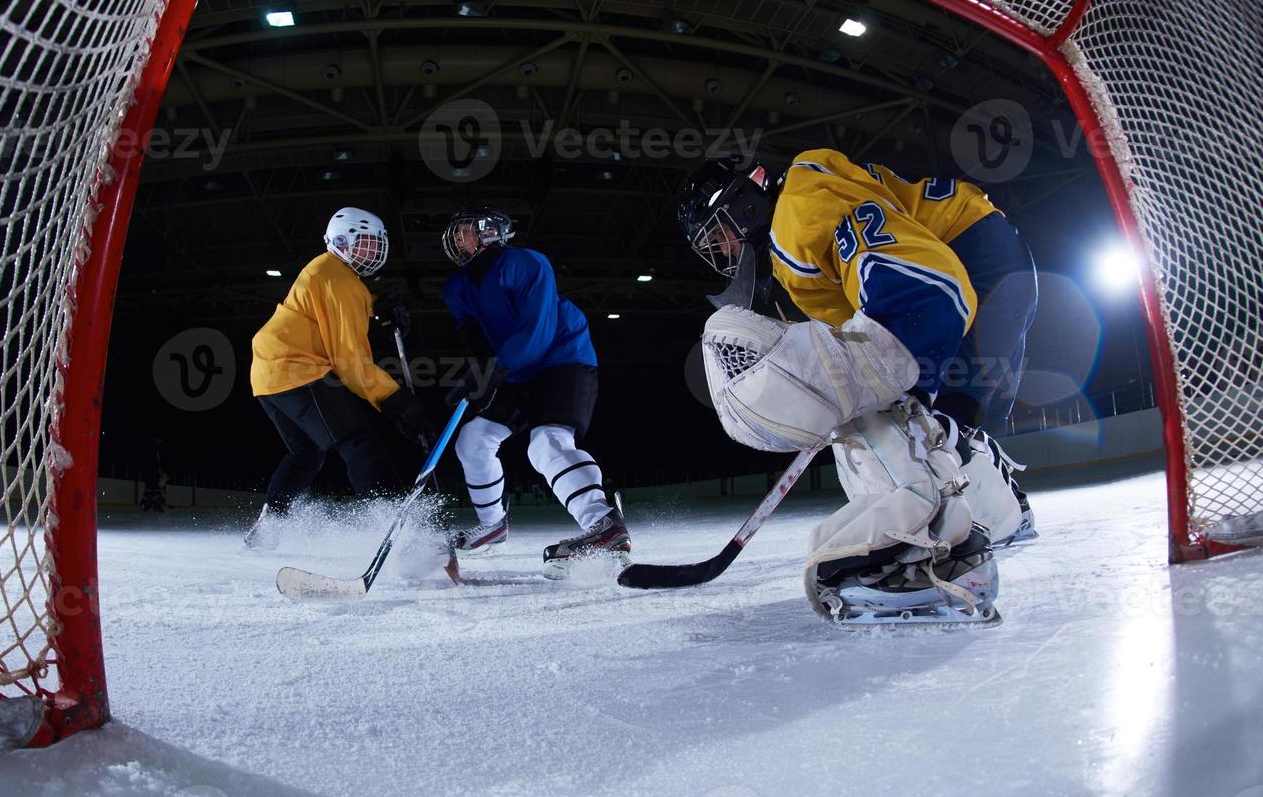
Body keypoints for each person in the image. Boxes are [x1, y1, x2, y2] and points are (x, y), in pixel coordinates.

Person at [677, 149, 1038, 624]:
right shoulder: (797, 222)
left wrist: (878, 381)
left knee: (891, 412)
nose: (724, 251)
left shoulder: (799, 207)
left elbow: (926, 289)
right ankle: (999, 513)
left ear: (745, 198)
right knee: (946, 422)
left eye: (720, 232)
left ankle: (935, 555)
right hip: (989, 260)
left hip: (971, 264)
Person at [438, 205, 629, 578]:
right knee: (472, 439)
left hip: (562, 358)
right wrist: (477, 372)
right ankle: (493, 525)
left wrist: (496, 368)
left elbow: (538, 332)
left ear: (492, 231)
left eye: (465, 231)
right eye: (455, 233)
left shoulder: (527, 263)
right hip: (515, 371)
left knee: (547, 441)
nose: (457, 238)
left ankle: (605, 524)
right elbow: (473, 336)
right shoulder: (456, 287)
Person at [245, 207, 436, 549]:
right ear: (341, 241)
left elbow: (336, 308)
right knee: (359, 442)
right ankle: (397, 527)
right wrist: (395, 401)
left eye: (376, 245)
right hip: (295, 368)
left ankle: (269, 528)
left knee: (307, 453)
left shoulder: (331, 273)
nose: (372, 252)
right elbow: (350, 362)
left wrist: (376, 303)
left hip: (267, 375)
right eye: (364, 244)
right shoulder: (337, 277)